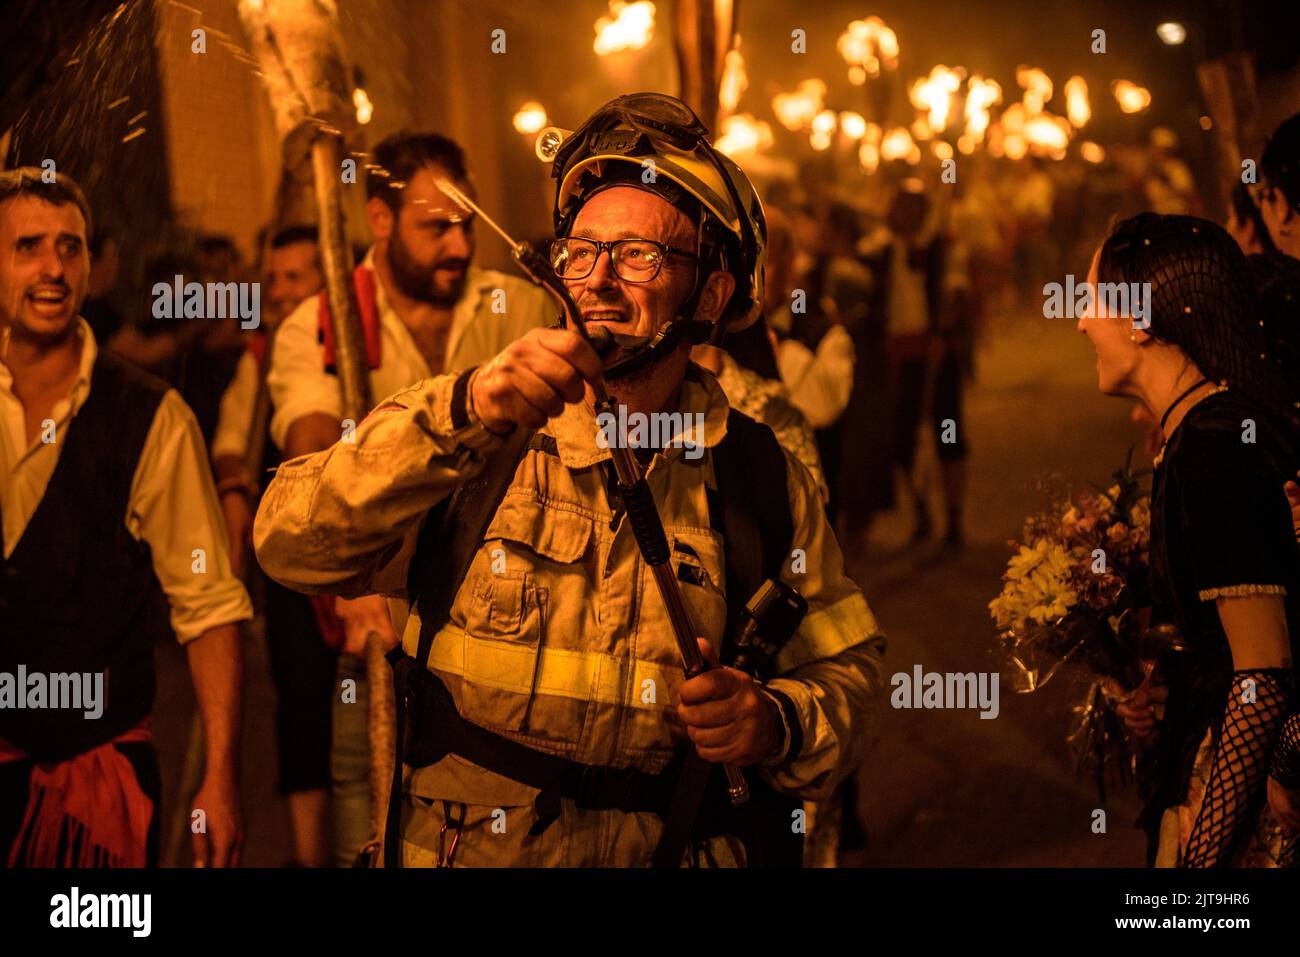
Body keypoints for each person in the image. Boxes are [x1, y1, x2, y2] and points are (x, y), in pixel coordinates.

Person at [254, 93, 886, 867]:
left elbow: (852, 673)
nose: (599, 281)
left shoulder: (761, 477)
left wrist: (775, 720)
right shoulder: (473, 436)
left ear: (712, 296)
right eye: (580, 253)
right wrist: (464, 410)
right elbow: (287, 543)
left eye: (638, 255)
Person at [264, 130, 552, 865]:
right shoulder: (321, 324)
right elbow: (312, 453)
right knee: (373, 825)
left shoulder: (519, 310)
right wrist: (356, 577)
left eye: (466, 222)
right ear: (381, 221)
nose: (458, 244)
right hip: (374, 638)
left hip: (508, 643)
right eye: (435, 226)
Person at [0, 167, 250, 867]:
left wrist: (221, 777)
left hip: (98, 786)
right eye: (27, 247)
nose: (53, 267)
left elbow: (208, 608)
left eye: (70, 247)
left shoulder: (151, 418)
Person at [1078, 212, 1300, 867]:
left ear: (1141, 320)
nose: (1082, 321)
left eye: (1092, 301)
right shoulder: (1201, 433)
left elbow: (1263, 671)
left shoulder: (1213, 445)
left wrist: (1203, 858)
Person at [211, 223, 335, 867]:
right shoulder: (257, 359)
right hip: (293, 574)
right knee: (303, 700)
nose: (281, 292)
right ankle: (312, 858)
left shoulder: (353, 344)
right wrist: (236, 495)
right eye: (274, 279)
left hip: (376, 567)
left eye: (297, 277)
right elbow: (231, 439)